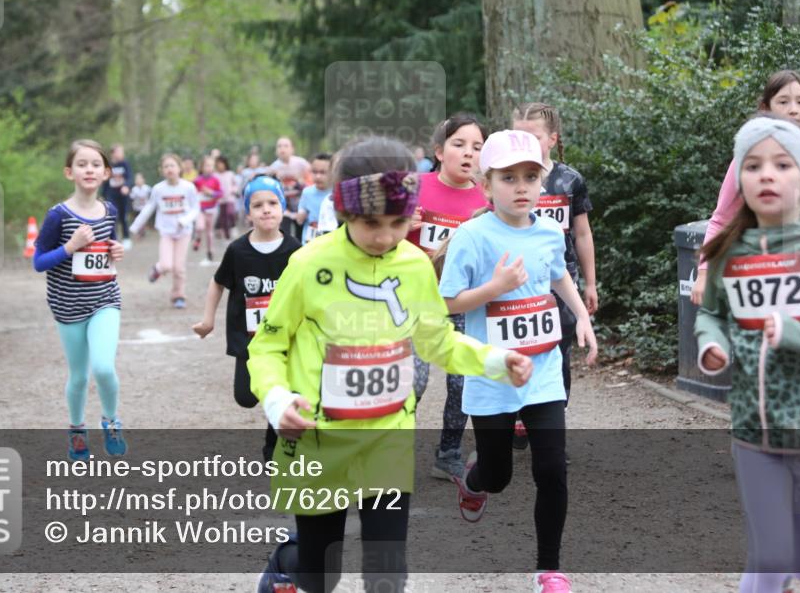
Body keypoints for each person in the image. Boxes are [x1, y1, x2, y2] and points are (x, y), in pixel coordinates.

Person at [250, 137, 534, 593]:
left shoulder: (415, 266)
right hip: (318, 443)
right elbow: (267, 347)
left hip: (386, 442)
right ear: (343, 212)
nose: (384, 236)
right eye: (370, 223)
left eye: (399, 222)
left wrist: (497, 360)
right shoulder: (306, 265)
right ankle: (287, 564)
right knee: (320, 572)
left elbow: (437, 341)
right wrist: (277, 399)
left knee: (386, 574)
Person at [695, 115, 800, 593]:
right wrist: (712, 346)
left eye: (782, 165)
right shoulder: (731, 251)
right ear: (739, 178)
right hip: (752, 431)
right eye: (754, 165)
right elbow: (711, 314)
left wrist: (793, 334)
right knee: (770, 556)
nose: (767, 174)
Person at [439, 130, 598, 593]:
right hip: (492, 376)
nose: (522, 186)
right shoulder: (471, 236)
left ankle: (549, 570)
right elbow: (448, 301)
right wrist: (496, 287)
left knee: (551, 469)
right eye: (509, 178)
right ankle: (474, 480)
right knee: (499, 476)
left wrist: (582, 317)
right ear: (486, 186)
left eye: (531, 176)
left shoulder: (549, 230)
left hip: (544, 370)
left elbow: (558, 277)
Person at [691, 70, 800, 305]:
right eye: (783, 101)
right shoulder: (745, 160)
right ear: (766, 108)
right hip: (752, 278)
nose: (794, 109)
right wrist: (704, 273)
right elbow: (721, 221)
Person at [405, 113, 489, 481]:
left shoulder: (486, 197)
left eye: (477, 147)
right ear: (439, 151)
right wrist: (400, 226)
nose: (468, 154)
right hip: (413, 301)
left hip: (460, 301)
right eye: (459, 145)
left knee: (462, 380)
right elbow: (370, 234)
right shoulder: (414, 187)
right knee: (414, 381)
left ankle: (449, 451)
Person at [191, 175, 300, 461]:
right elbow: (218, 283)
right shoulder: (238, 250)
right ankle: (273, 417)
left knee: (281, 387)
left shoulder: (296, 251)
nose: (266, 209)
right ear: (248, 212)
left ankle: (272, 443)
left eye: (273, 203)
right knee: (246, 396)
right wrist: (208, 321)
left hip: (285, 339)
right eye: (258, 204)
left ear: (283, 207)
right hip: (248, 339)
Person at [32, 139, 127, 460]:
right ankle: (76, 428)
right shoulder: (57, 215)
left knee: (103, 367)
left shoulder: (110, 210)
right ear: (69, 172)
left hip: (105, 299)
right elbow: (38, 261)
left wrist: (116, 250)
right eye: (82, 164)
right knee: (79, 375)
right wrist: (69, 247)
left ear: (106, 173)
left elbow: (107, 247)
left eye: (96, 164)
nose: (90, 170)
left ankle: (111, 421)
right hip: (67, 306)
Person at [513, 102, 597, 420]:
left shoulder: (569, 180)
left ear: (552, 139)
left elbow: (583, 234)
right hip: (517, 279)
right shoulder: (504, 180)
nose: (524, 143)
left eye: (533, 136)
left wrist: (590, 283)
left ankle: (551, 421)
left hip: (561, 280)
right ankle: (518, 414)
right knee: (519, 346)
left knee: (558, 350)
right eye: (517, 136)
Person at [129, 154, 199, 309]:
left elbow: (195, 208)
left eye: (172, 165)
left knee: (179, 268)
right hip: (166, 232)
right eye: (166, 166)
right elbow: (149, 208)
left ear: (179, 168)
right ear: (161, 170)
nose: (169, 169)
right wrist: (135, 226)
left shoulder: (188, 187)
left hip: (184, 232)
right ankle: (158, 269)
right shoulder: (158, 189)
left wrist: (185, 220)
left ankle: (178, 296)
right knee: (167, 265)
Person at [269, 136, 311, 240]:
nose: (282, 149)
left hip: (300, 204)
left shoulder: (302, 164)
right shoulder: (273, 167)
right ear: (276, 150)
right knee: (284, 233)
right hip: (284, 206)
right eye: (279, 146)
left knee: (300, 234)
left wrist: (302, 182)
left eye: (286, 146)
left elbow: (311, 179)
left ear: (292, 149)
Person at [295, 153, 332, 244]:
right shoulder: (307, 192)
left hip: (331, 239)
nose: (318, 176)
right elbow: (301, 215)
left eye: (323, 172)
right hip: (310, 240)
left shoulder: (337, 193)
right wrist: (300, 215)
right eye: (315, 172)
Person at [102, 143, 134, 250]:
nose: (122, 154)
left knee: (124, 217)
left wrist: (126, 186)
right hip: (112, 195)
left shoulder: (125, 164)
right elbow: (105, 181)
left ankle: (126, 238)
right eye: (120, 152)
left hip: (123, 195)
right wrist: (103, 195)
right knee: (112, 217)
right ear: (113, 153)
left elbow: (130, 177)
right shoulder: (108, 165)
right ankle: (113, 239)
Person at [193, 156, 223, 266]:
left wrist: (211, 193)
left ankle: (210, 252)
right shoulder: (197, 180)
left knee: (210, 233)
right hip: (200, 209)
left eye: (211, 165)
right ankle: (197, 238)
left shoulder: (215, 180)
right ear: (202, 167)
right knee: (200, 226)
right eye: (207, 165)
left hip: (212, 209)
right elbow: (191, 192)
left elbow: (220, 193)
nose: (209, 168)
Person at [214, 156, 238, 241]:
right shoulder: (215, 175)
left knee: (230, 212)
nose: (220, 166)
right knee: (223, 217)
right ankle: (226, 235)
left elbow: (235, 184)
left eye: (222, 164)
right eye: (218, 164)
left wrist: (233, 190)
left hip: (230, 198)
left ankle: (233, 226)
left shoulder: (230, 174)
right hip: (220, 200)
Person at [129, 173, 151, 238]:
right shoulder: (134, 189)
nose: (138, 180)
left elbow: (151, 196)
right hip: (136, 208)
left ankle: (141, 232)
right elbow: (131, 198)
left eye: (140, 179)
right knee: (137, 220)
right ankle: (138, 232)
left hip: (145, 208)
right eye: (137, 179)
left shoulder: (147, 188)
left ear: (143, 180)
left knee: (143, 221)